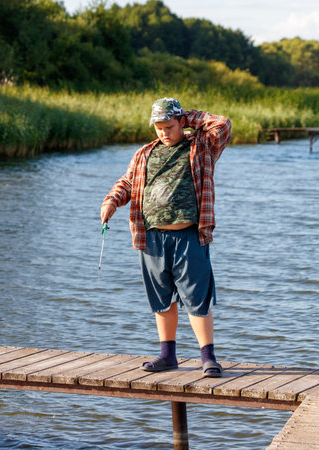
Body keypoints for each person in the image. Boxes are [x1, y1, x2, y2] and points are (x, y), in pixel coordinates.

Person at [100, 98, 231, 377]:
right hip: (152, 239)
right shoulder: (144, 153)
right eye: (158, 127)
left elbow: (223, 124)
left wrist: (186, 116)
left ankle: (208, 358)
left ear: (181, 122)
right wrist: (112, 201)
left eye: (169, 126)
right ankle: (167, 355)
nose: (163, 132)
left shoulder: (201, 145)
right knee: (162, 298)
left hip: (189, 236)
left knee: (197, 298)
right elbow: (126, 182)